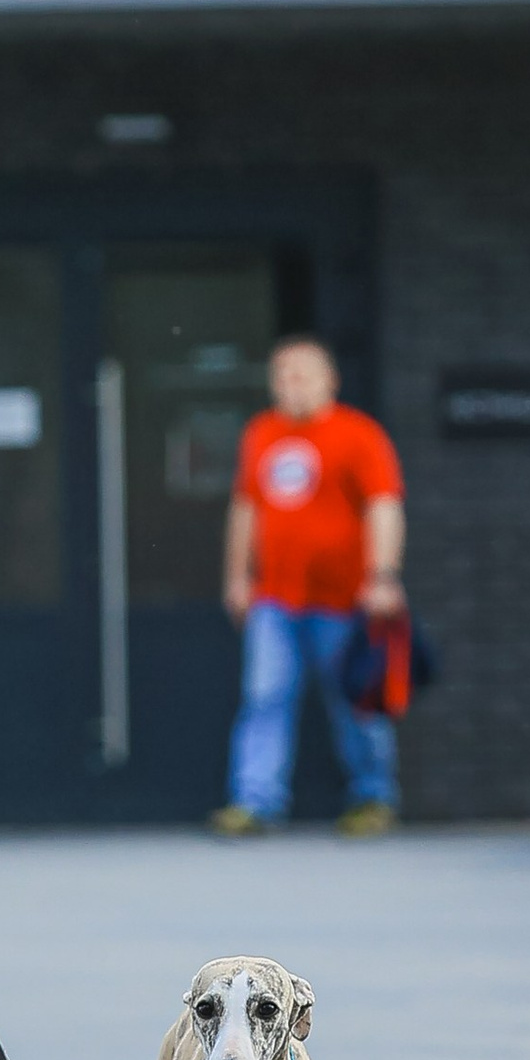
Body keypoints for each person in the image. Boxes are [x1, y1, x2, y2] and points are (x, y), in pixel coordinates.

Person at [210, 336, 406, 838]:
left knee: (356, 702)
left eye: (303, 374)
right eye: (282, 375)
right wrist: (237, 577)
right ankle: (255, 802)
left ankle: (372, 798)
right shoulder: (262, 433)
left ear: (329, 380)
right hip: (275, 597)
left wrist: (382, 577)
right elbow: (246, 508)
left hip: (344, 598)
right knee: (264, 698)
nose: (291, 384)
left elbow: (383, 506)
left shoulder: (358, 434)